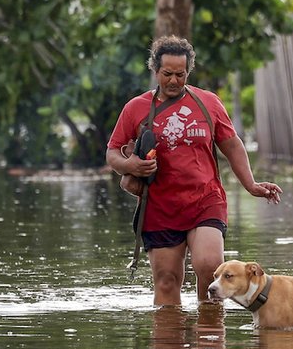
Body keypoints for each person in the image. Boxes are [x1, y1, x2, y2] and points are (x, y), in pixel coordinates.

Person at [106, 35, 282, 306]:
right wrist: (131, 165)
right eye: (167, 74)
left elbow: (232, 145)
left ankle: (209, 344)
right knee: (166, 281)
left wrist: (251, 185)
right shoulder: (136, 108)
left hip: (205, 199)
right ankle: (170, 346)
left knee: (210, 267)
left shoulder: (208, 102)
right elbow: (113, 152)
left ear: (188, 71)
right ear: (155, 71)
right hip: (159, 206)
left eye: (181, 74)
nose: (174, 80)